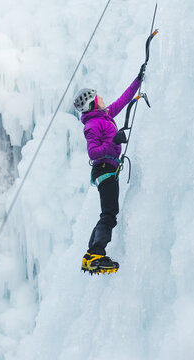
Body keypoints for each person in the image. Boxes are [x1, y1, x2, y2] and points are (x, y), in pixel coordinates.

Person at [74, 64, 146, 274]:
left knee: (107, 213)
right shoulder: (92, 125)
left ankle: (90, 255)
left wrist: (138, 79)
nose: (103, 99)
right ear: (93, 103)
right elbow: (93, 152)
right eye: (99, 98)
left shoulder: (104, 116)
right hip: (104, 170)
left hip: (107, 170)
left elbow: (122, 101)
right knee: (110, 214)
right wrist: (114, 140)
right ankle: (97, 253)